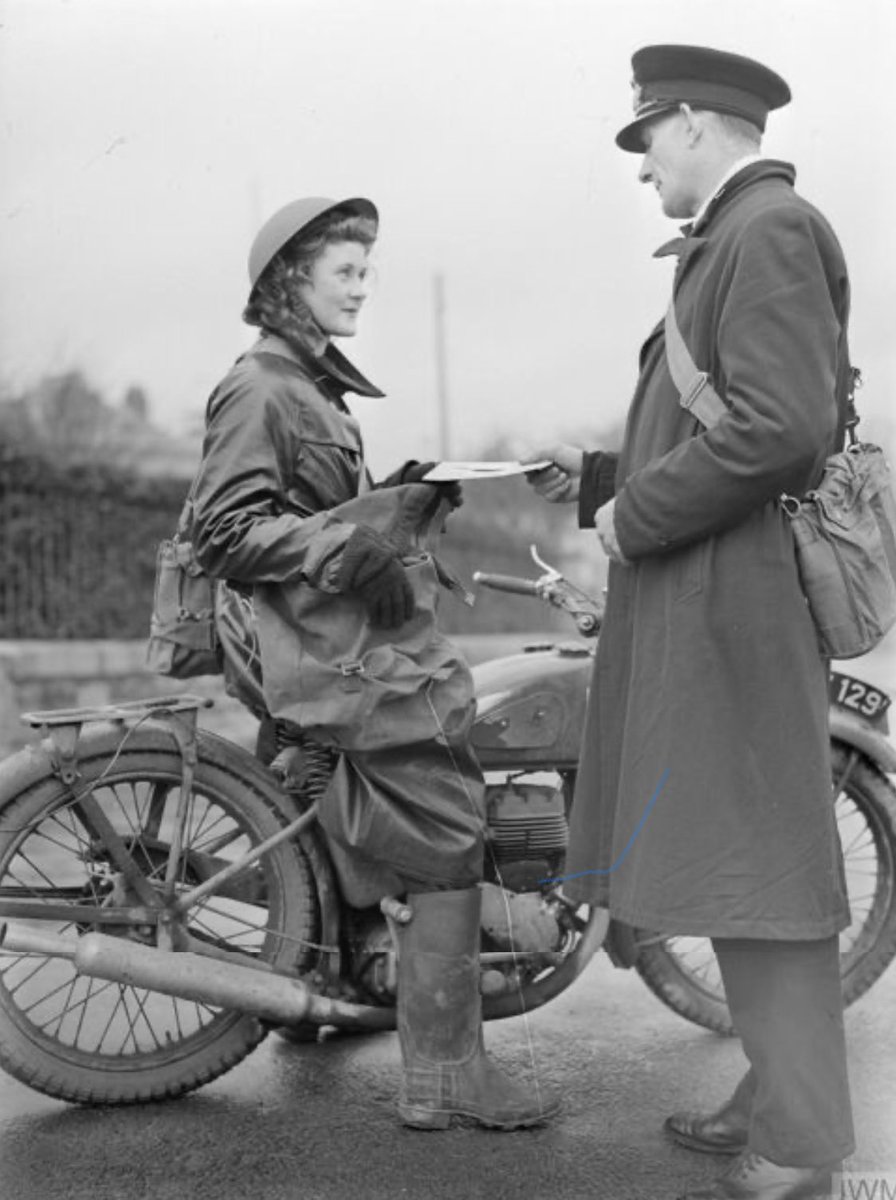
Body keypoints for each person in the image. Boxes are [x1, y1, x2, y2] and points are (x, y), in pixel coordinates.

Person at [526, 46, 854, 1200]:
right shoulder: (741, 235)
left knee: (757, 862)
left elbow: (777, 432)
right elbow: (725, 422)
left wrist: (631, 513)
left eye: (647, 140)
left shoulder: (763, 231)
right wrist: (603, 473)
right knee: (734, 852)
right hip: (713, 591)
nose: (641, 168)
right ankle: (775, 1095)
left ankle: (804, 1142)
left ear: (697, 128)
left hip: (733, 600)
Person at [188, 195, 558, 1132]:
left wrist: (392, 505)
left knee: (363, 803)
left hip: (331, 637)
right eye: (344, 272)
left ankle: (333, 979)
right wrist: (338, 552)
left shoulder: (311, 387)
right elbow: (226, 530)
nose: (362, 287)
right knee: (444, 817)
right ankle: (445, 1078)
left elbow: (311, 510)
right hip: (315, 647)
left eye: (366, 271)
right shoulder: (264, 387)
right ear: (289, 283)